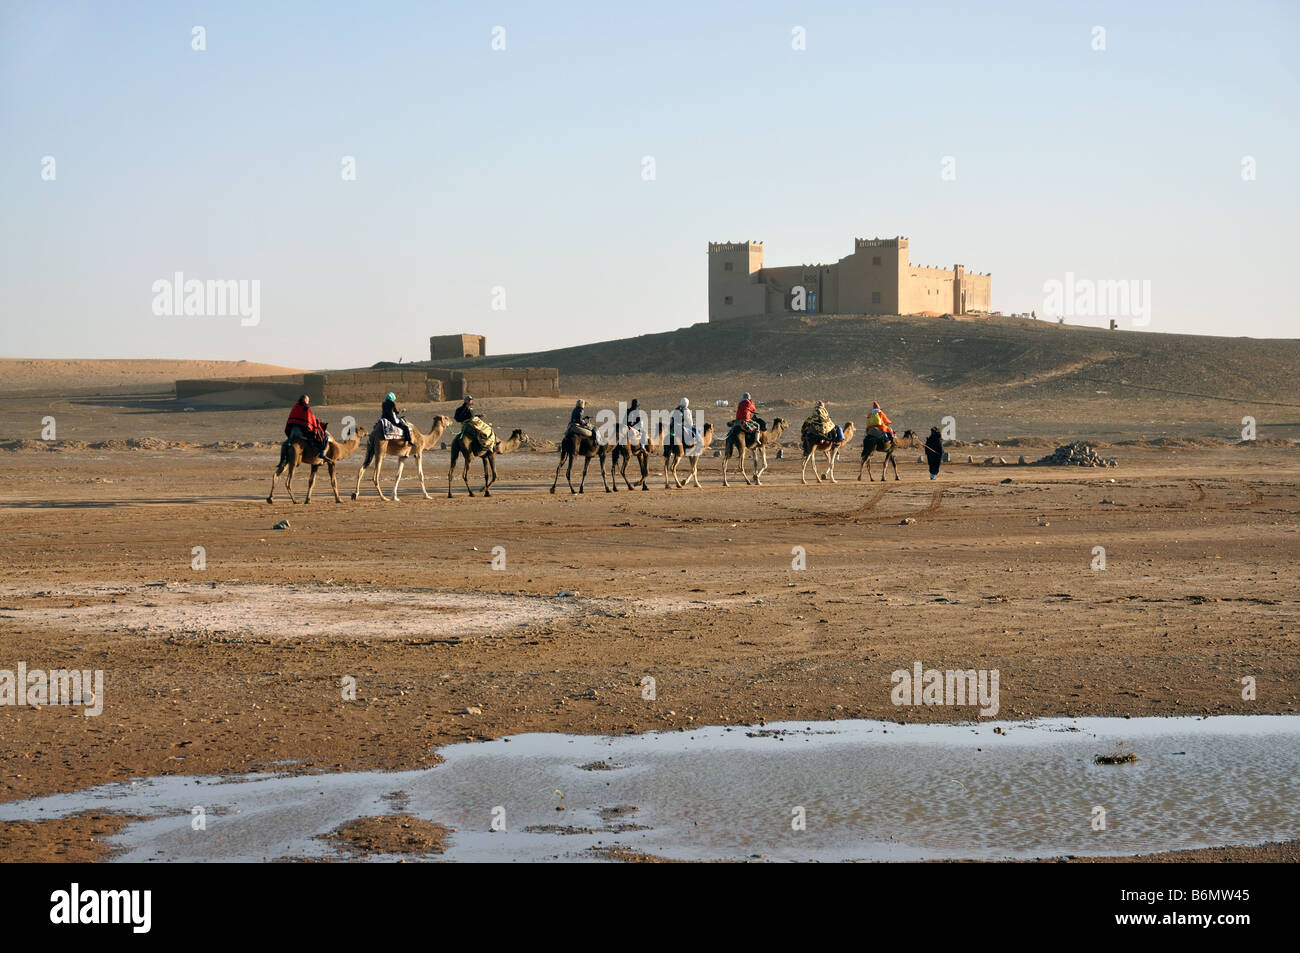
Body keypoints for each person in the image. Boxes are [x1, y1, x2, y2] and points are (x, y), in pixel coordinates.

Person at [284, 394, 331, 458]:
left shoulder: (296, 406)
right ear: (305, 400)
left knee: (290, 440)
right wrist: (317, 422)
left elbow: (293, 418)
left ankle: (289, 444)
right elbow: (311, 419)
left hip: (292, 429)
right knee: (321, 436)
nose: (308, 402)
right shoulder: (306, 407)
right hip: (302, 430)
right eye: (308, 400)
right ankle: (321, 452)